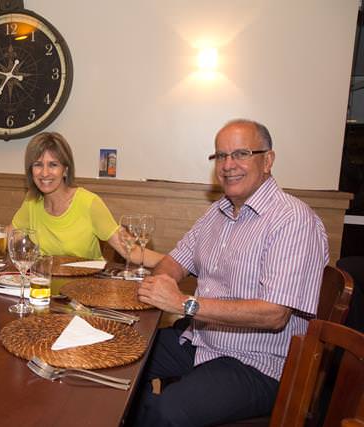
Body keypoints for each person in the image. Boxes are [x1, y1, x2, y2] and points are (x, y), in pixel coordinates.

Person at [129, 119, 329, 426]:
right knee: (124, 358)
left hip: (259, 363)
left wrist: (183, 303)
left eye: (241, 154)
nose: (228, 165)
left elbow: (274, 314)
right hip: (202, 341)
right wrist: (162, 282)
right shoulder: (218, 212)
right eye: (221, 156)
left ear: (268, 160)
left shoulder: (293, 220)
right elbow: (175, 261)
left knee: (168, 409)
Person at [12, 131, 163, 265]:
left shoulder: (89, 203)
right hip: (46, 283)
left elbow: (130, 251)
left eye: (53, 165)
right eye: (38, 165)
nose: (44, 173)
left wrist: (173, 264)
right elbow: (10, 236)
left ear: (65, 170)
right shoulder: (31, 201)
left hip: (88, 284)